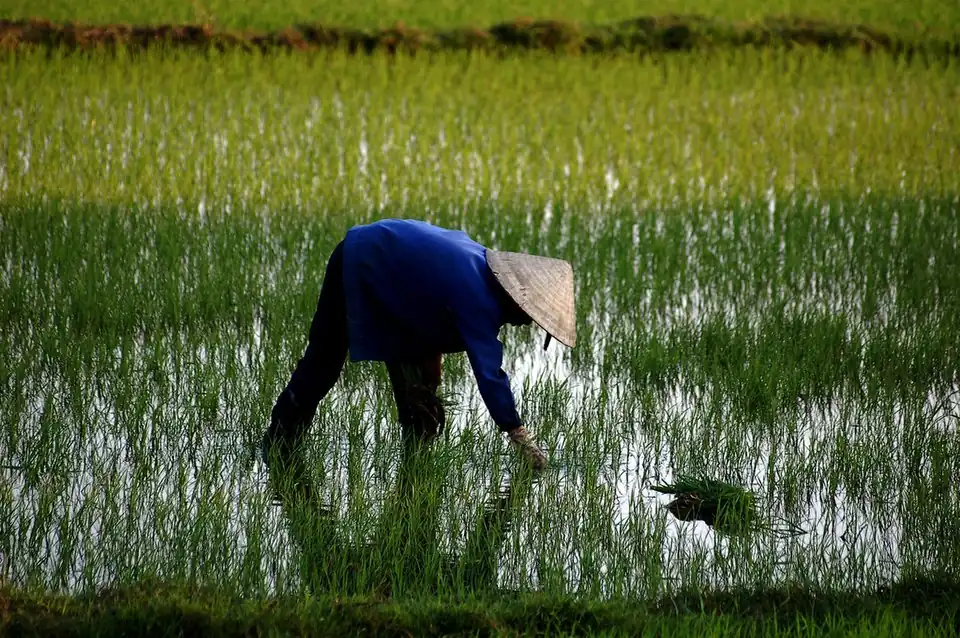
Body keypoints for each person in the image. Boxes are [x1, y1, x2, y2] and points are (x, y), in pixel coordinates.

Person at [261, 218, 577, 470]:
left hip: (397, 277)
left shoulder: (480, 268)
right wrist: (518, 434)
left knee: (421, 397)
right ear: (518, 298)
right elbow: (489, 375)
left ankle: (414, 472)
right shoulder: (478, 298)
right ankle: (278, 442)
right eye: (531, 314)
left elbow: (431, 312)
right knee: (325, 360)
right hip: (362, 259)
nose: (529, 322)